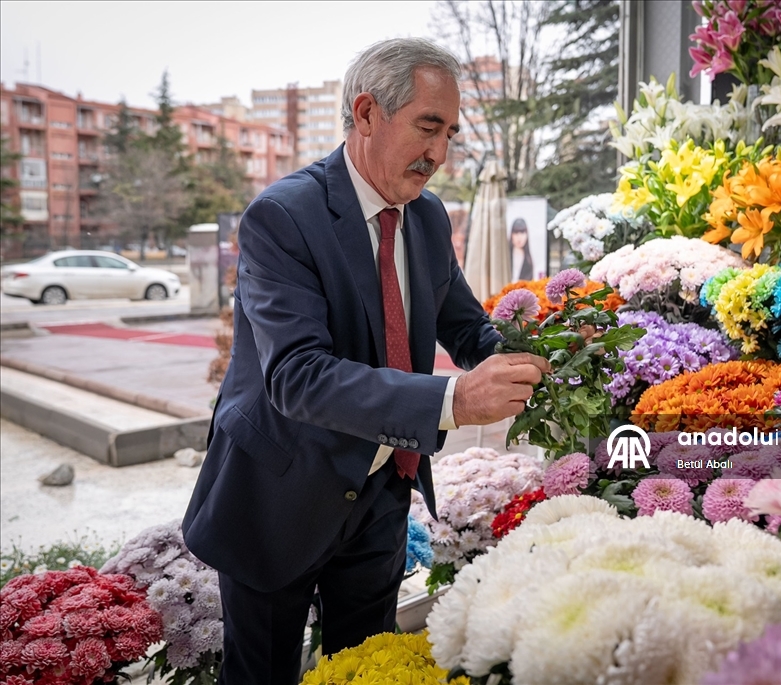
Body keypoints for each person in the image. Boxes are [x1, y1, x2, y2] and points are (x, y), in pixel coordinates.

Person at [181, 38, 549, 684]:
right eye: (428, 128)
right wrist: (451, 401)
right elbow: (297, 376)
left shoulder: (429, 217)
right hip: (277, 498)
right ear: (367, 112)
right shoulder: (281, 217)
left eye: (450, 135)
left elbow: (465, 327)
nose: (439, 155)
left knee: (367, 671)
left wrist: (544, 360)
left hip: (379, 494)